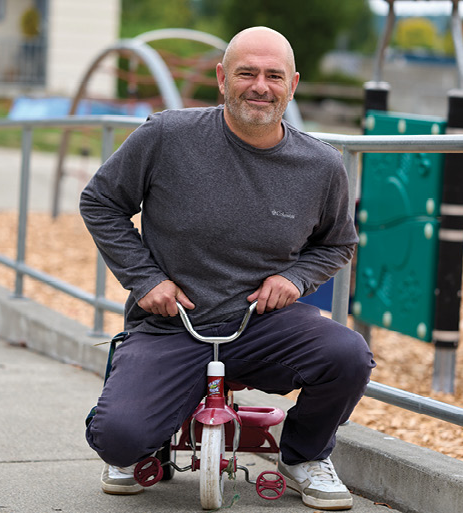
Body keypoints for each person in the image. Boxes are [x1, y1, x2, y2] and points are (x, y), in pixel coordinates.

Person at [79, 26, 374, 511]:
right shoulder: (166, 135)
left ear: (293, 84)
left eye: (273, 75)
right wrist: (146, 278)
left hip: (265, 323)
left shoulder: (321, 165)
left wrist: (295, 279)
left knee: (347, 355)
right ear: (221, 78)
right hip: (173, 324)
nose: (260, 86)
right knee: (118, 438)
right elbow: (101, 202)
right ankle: (144, 429)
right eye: (247, 73)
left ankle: (304, 457)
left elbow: (338, 244)